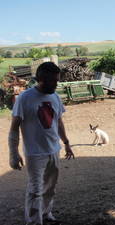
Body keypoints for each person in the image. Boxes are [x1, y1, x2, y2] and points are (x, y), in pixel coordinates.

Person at [8, 62, 75, 225]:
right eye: (54, 81)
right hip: (35, 153)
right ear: (41, 80)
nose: (57, 84)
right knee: (35, 191)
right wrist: (13, 153)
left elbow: (58, 122)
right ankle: (33, 221)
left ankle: (45, 214)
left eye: (57, 80)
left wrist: (66, 143)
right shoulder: (25, 98)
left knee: (50, 187)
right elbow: (14, 127)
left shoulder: (55, 97)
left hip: (54, 150)